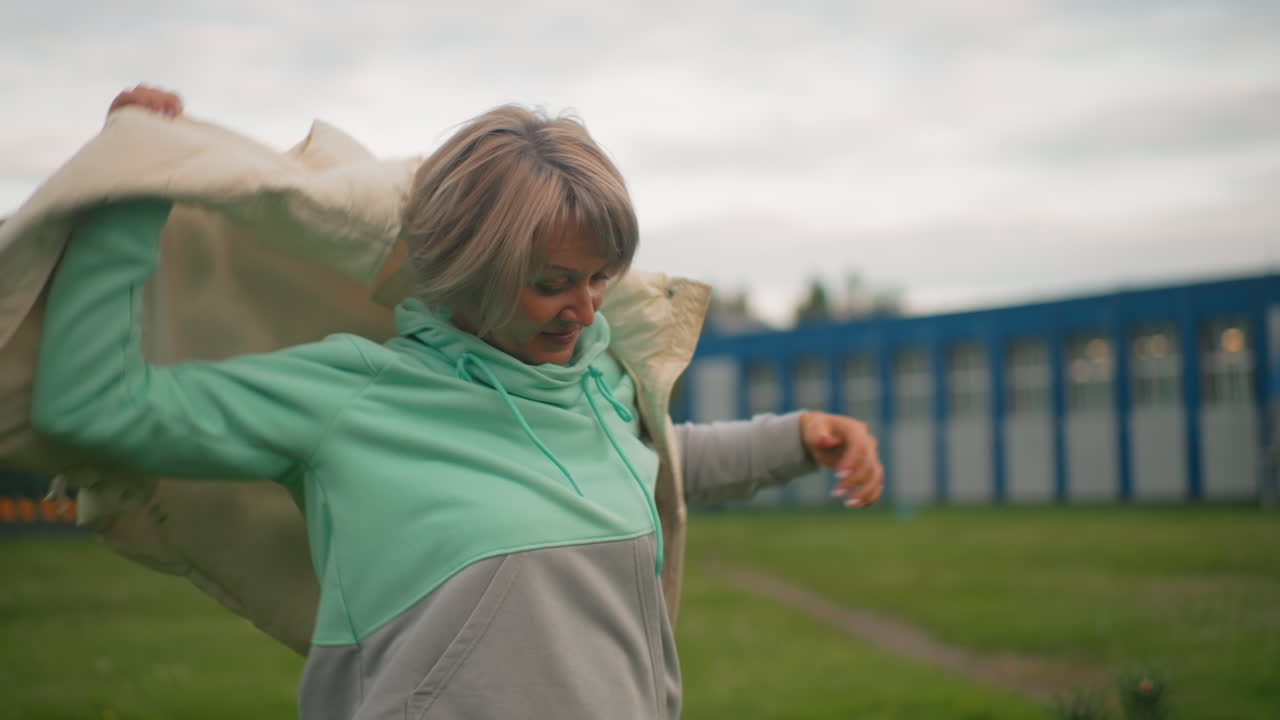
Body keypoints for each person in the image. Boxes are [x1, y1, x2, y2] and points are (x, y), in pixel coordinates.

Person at [32, 86, 884, 720]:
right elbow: (91, 407)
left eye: (599, 278)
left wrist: (797, 438)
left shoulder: (594, 379)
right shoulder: (351, 396)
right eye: (552, 284)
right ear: (468, 269)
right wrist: (133, 194)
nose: (585, 310)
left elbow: (649, 461)